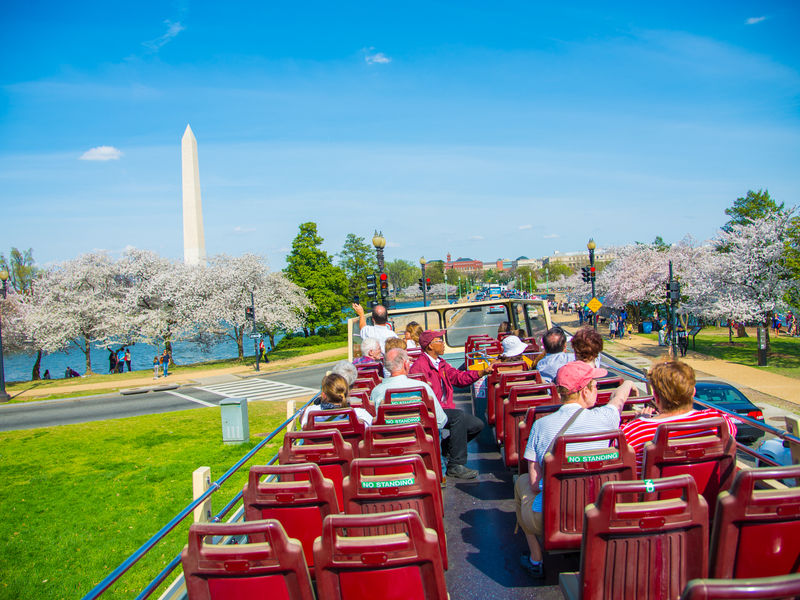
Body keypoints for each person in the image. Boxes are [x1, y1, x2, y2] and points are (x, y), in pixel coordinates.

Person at [515, 360, 636, 578]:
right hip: (601, 511)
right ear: (584, 390)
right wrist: (627, 384)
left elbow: (534, 483)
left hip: (553, 517)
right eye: (595, 385)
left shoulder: (541, 425)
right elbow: (618, 400)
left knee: (521, 483)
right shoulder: (606, 418)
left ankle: (536, 559)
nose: (597, 389)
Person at [621, 360, 738, 475]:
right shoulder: (720, 422)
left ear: (656, 397)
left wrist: (638, 421)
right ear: (693, 393)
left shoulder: (633, 431)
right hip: (709, 492)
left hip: (657, 493)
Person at [409, 330, 489, 479]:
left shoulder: (441, 363)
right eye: (439, 340)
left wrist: (480, 373)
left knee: (476, 425)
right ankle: (455, 465)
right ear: (430, 346)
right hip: (430, 410)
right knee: (458, 416)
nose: (443, 343)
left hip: (444, 408)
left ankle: (446, 450)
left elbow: (458, 378)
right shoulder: (419, 367)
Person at [370, 348, 447, 430]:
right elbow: (441, 420)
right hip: (421, 439)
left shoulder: (376, 392)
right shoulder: (422, 388)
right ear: (405, 364)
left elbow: (375, 423)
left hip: (389, 439)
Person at [301, 373, 373, 428]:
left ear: (323, 395)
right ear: (347, 393)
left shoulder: (311, 412)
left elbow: (303, 424)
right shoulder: (360, 414)